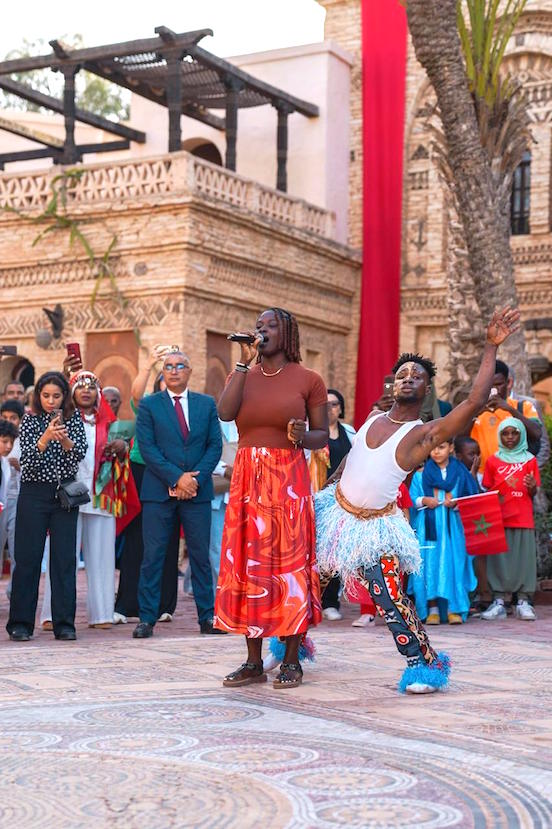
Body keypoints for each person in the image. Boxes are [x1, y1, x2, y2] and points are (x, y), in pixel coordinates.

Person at [315, 307, 519, 694]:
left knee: (389, 599)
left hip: (375, 528)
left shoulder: (424, 434)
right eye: (402, 374)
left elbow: (474, 401)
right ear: (393, 385)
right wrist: (326, 492)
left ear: (427, 390)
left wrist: (490, 347)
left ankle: (424, 666)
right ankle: (288, 650)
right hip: (334, 515)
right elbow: (350, 460)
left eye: (417, 376)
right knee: (304, 586)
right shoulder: (372, 419)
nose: (408, 378)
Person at [214, 307, 328, 689]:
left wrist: (301, 435)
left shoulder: (308, 379)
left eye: (270, 326)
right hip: (248, 481)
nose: (261, 331)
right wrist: (242, 365)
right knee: (249, 567)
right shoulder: (242, 375)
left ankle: (291, 659)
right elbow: (225, 413)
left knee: (288, 567)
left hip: (288, 483)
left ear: (287, 334)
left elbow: (322, 436)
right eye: (258, 326)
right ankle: (253, 661)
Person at [133, 350, 222, 638]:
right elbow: (148, 448)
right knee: (153, 556)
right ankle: (147, 619)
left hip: (197, 491)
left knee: (200, 557)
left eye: (180, 365)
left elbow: (214, 446)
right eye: (168, 366)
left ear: (189, 371)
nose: (173, 370)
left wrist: (194, 480)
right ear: (163, 372)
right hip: (158, 492)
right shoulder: (149, 405)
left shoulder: (206, 404)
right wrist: (177, 478)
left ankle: (207, 617)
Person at [41, 370, 129, 629]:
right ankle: (52, 614)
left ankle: (101, 614)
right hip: (66, 495)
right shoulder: (61, 421)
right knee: (61, 555)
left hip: (102, 496)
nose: (86, 390)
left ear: (98, 394)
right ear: (71, 393)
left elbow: (124, 456)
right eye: (80, 386)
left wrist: (122, 448)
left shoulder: (111, 425)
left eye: (91, 386)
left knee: (102, 557)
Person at [6, 372, 87, 641]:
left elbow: (78, 455)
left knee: (64, 560)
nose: (51, 401)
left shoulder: (73, 419)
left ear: (65, 397)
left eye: (56, 396)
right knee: (27, 559)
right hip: (34, 494)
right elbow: (27, 463)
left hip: (64, 494)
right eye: (46, 395)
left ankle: (64, 624)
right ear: (38, 396)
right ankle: (20, 623)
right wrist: (45, 438)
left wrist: (63, 438)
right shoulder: (29, 420)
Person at [114, 353, 180, 624]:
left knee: (168, 538)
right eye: (164, 377)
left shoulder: (185, 410)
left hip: (172, 475)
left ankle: (164, 605)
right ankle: (128, 605)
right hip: (142, 472)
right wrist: (150, 364)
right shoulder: (149, 406)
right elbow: (136, 394)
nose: (171, 379)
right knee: (136, 539)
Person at [408, 439, 478, 624]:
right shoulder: (420, 475)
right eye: (433, 448)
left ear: (451, 448)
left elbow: (470, 498)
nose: (437, 452)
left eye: (442, 447)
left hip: (453, 528)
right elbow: (412, 499)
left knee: (453, 564)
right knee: (429, 565)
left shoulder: (460, 473)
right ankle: (432, 610)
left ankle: (453, 608)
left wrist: (456, 503)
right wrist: (424, 500)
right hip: (428, 529)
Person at [481, 418, 540, 622]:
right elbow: (488, 488)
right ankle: (498, 601)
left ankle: (523, 602)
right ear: (499, 436)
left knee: (524, 560)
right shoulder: (492, 460)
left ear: (522, 435)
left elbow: (533, 492)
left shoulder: (530, 460)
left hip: (522, 516)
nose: (510, 437)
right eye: (505, 433)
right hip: (499, 517)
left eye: (515, 433)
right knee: (498, 560)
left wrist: (532, 486)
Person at [470, 359, 541, 472]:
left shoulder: (523, 406)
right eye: (489, 386)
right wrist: (476, 413)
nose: (494, 390)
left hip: (514, 473)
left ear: (508, 383)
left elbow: (537, 433)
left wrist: (510, 409)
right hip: (481, 474)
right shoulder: (473, 409)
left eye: (499, 384)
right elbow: (459, 439)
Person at [321, 388, 355, 622]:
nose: (329, 409)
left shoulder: (350, 433)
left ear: (341, 408)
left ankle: (331, 601)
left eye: (333, 404)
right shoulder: (312, 434)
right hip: (319, 498)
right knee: (319, 551)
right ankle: (314, 599)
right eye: (324, 404)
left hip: (343, 499)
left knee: (336, 550)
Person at [210, 419, 239, 588]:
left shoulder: (250, 419)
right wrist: (224, 470)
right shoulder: (212, 421)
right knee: (216, 547)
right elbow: (202, 450)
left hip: (244, 493)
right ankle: (219, 592)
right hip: (218, 494)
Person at [0, 400, 24, 596]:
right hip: (1, 503)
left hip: (17, 501)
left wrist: (20, 467)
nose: (9, 421)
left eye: (13, 417)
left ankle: (15, 593)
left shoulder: (25, 441)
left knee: (18, 551)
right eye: (5, 417)